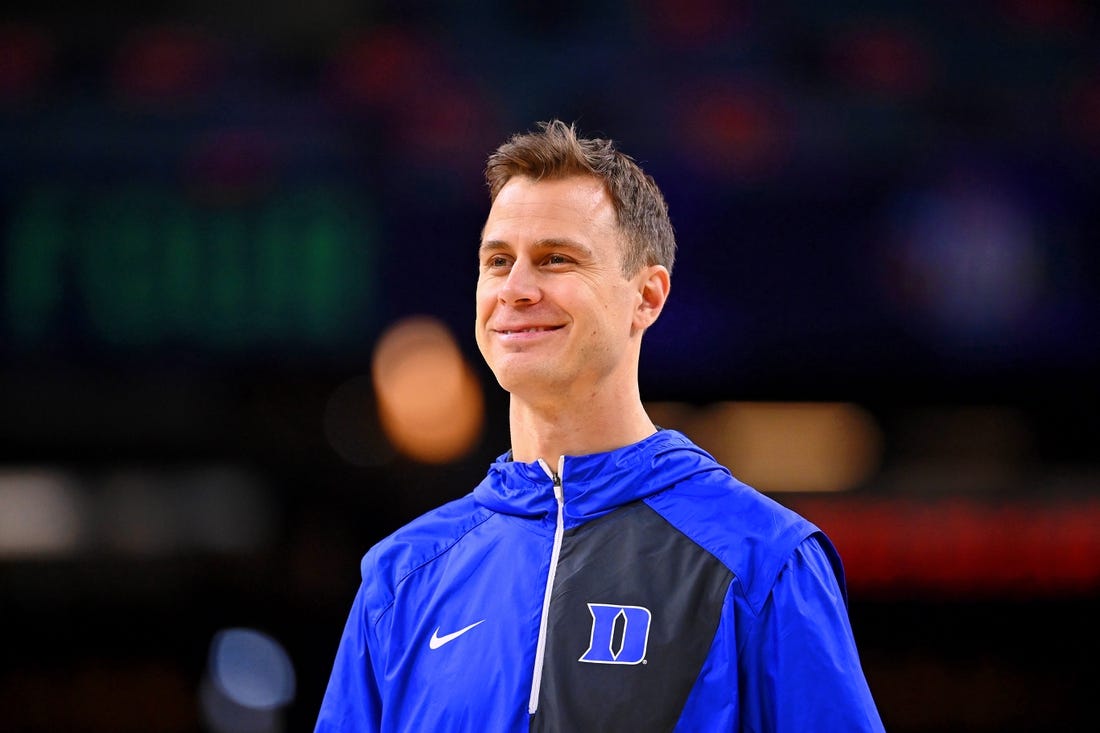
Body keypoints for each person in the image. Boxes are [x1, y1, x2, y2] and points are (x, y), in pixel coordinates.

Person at [315, 120, 885, 732]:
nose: (517, 289)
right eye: (498, 261)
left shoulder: (764, 559)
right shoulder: (402, 577)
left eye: (556, 259)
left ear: (648, 297)